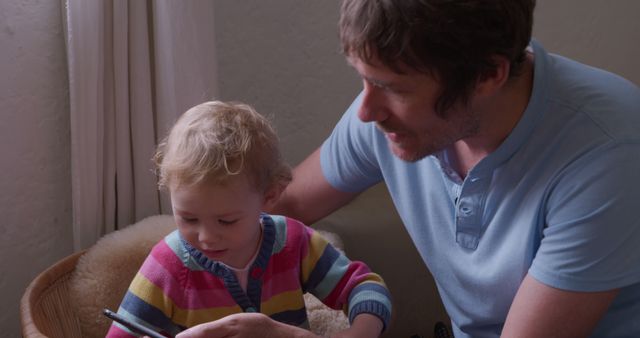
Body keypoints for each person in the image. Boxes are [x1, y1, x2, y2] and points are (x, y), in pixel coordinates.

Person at [268, 1, 640, 337]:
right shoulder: (388, 119)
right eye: (365, 78)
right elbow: (288, 204)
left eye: (394, 88)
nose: (366, 112)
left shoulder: (609, 153)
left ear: (488, 75)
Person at [105, 101, 392, 338]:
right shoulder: (167, 265)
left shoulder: (293, 243)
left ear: (270, 196)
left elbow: (366, 286)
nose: (205, 237)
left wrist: (361, 331)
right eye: (188, 218)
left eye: (226, 221)